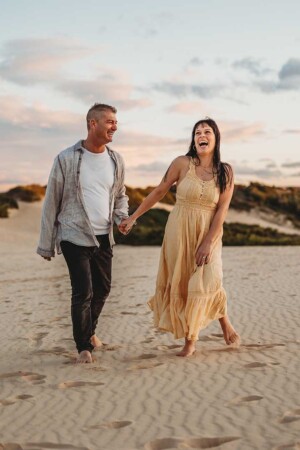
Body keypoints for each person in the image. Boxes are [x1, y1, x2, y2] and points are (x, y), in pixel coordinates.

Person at [120, 118, 240, 357]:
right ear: (194, 139)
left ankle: (224, 321)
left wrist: (208, 242)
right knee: (185, 280)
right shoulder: (182, 163)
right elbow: (159, 190)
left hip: (209, 231)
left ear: (215, 139)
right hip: (179, 230)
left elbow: (222, 210)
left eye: (207, 132)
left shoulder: (225, 171)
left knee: (210, 277)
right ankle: (190, 341)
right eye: (197, 132)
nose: (201, 135)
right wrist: (133, 217)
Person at [37, 103, 129, 363]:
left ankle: (89, 333)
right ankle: (83, 348)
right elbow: (51, 202)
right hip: (74, 234)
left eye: (116, 122)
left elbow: (120, 196)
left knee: (103, 289)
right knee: (83, 291)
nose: (115, 127)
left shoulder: (116, 160)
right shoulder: (66, 158)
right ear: (93, 124)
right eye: (110, 121)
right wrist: (46, 244)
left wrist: (121, 217)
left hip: (103, 236)